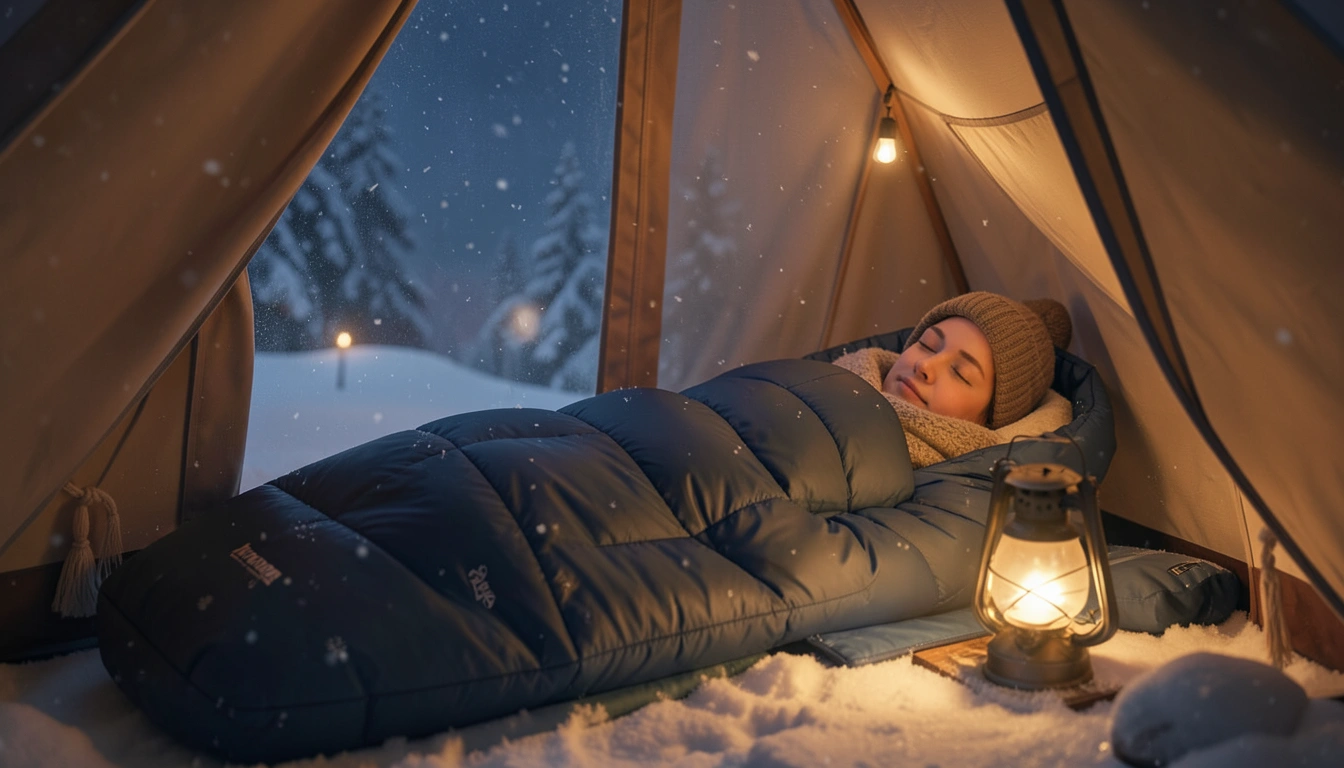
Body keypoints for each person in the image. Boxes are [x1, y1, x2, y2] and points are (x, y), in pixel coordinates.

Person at [832, 291, 1074, 468]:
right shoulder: (830, 379)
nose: (925, 365)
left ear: (988, 419)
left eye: (960, 373)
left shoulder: (950, 490)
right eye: (927, 345)